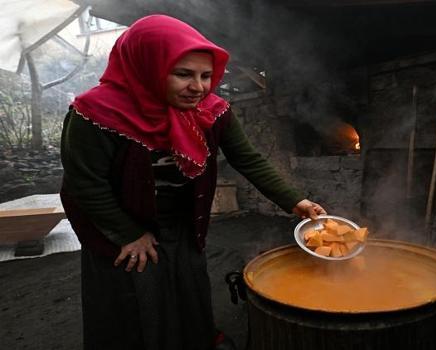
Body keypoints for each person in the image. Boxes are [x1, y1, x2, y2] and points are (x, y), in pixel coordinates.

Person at [60, 15, 326, 350]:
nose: (198, 87)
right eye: (183, 74)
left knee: (188, 290)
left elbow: (248, 158)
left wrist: (294, 200)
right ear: (148, 66)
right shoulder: (94, 114)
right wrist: (128, 234)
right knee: (136, 299)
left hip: (181, 224)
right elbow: (85, 184)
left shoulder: (211, 110)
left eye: (205, 76)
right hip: (120, 225)